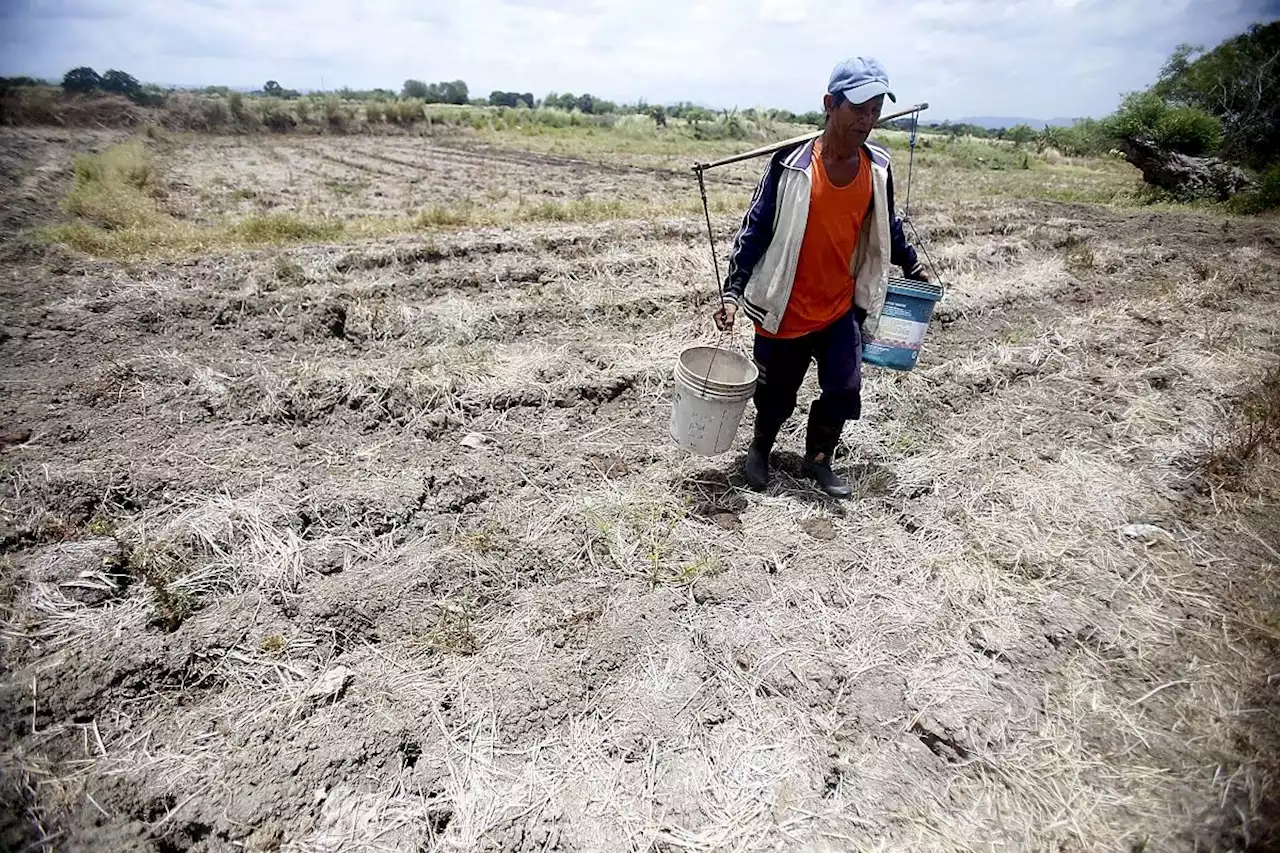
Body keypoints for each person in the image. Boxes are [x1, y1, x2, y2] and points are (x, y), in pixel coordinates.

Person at [713, 57, 930, 499]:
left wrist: (913, 264)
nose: (867, 120)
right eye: (858, 109)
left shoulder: (878, 168)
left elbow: (888, 226)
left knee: (846, 387)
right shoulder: (790, 166)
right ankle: (761, 449)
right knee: (775, 394)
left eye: (874, 110)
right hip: (786, 305)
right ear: (830, 104)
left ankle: (818, 460)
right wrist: (733, 292)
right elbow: (754, 229)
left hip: (839, 306)